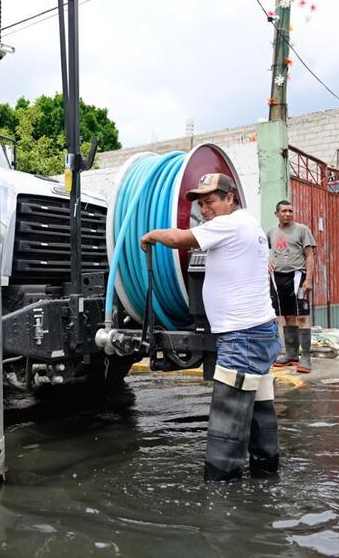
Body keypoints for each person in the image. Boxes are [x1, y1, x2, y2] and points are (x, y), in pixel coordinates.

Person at [140, 173, 280, 482]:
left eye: (211, 201)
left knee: (228, 419)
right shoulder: (249, 224)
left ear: (230, 198)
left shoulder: (228, 224)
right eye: (201, 204)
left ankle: (221, 496)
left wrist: (151, 235)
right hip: (258, 332)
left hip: (242, 337)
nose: (206, 210)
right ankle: (266, 477)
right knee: (259, 410)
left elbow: (178, 239)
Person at [267, 200, 317, 373]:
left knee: (302, 316)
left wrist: (308, 279)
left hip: (298, 276)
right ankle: (291, 354)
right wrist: (267, 261)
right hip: (278, 277)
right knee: (287, 316)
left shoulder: (302, 230)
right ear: (277, 214)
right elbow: (263, 251)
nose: (288, 214)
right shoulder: (271, 232)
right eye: (284, 211)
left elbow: (310, 256)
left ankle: (306, 358)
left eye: (290, 211)